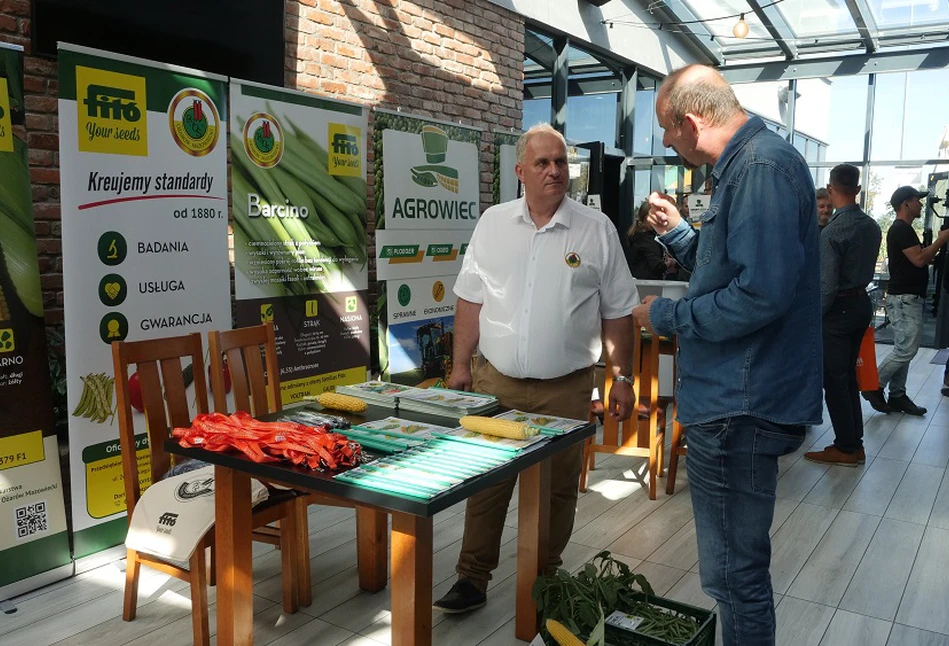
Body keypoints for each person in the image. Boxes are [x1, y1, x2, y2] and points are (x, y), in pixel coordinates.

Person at [631, 64, 822, 646]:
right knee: (734, 573)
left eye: (667, 129)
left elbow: (759, 295)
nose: (665, 141)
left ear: (690, 122)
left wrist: (664, 316)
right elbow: (735, 272)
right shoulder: (749, 165)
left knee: (734, 576)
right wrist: (684, 236)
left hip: (740, 404)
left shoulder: (759, 169)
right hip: (736, 396)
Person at [433, 123, 637, 613]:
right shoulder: (493, 224)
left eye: (561, 162)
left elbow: (619, 311)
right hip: (495, 382)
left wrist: (622, 378)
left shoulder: (596, 229)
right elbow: (470, 300)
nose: (554, 171)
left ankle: (544, 576)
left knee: (557, 489)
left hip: (565, 389)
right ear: (520, 170)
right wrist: (460, 366)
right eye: (543, 163)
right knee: (484, 483)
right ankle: (472, 578)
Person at [804, 164, 881, 466]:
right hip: (862, 303)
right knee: (848, 376)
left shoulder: (832, 232)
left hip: (838, 310)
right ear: (858, 190)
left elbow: (827, 286)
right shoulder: (872, 226)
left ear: (832, 189)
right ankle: (854, 443)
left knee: (835, 381)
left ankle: (846, 447)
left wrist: (813, 318)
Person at [862, 186, 949, 415]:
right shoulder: (900, 230)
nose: (921, 205)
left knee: (904, 347)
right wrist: (941, 240)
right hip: (904, 299)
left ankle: (898, 395)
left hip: (908, 297)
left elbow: (917, 260)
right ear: (905, 204)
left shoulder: (905, 230)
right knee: (907, 349)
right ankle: (874, 386)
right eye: (917, 201)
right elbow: (919, 259)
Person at [627, 200, 677, 279]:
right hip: (649, 285)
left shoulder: (637, 235)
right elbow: (657, 266)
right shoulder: (647, 239)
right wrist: (670, 263)